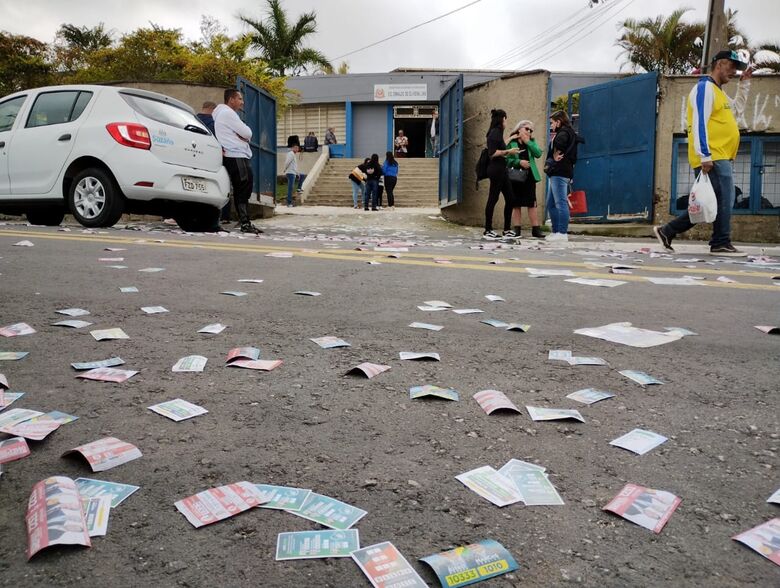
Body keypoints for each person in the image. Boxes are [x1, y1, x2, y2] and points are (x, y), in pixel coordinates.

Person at [654, 50, 752, 256]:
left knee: (711, 202)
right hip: (712, 156)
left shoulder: (719, 92)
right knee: (724, 198)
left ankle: (667, 231)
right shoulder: (704, 88)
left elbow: (736, 112)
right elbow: (698, 123)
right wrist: (705, 155)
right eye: (733, 67)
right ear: (721, 63)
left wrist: (744, 85)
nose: (734, 72)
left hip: (720, 155)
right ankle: (720, 242)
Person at [213, 89, 262, 234]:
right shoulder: (228, 113)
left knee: (239, 188)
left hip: (232, 154)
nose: (242, 102)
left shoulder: (220, 114)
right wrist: (243, 136)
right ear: (231, 99)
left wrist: (242, 135)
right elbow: (247, 133)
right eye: (239, 99)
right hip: (237, 155)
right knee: (243, 188)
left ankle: (243, 221)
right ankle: (245, 223)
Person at [483, 108, 519, 240]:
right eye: (505, 119)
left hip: (502, 170)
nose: (506, 122)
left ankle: (507, 229)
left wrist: (511, 138)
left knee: (510, 198)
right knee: (493, 199)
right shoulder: (494, 133)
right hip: (496, 170)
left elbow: (501, 145)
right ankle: (488, 230)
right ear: (502, 119)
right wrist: (509, 152)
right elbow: (493, 153)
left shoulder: (498, 133)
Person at [505, 120, 544, 239]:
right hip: (515, 176)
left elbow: (538, 154)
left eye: (531, 130)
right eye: (527, 129)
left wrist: (528, 141)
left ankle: (535, 229)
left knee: (532, 203)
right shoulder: (512, 142)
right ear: (519, 129)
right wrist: (519, 162)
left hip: (529, 176)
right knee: (516, 203)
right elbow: (506, 159)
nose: (529, 132)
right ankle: (517, 229)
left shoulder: (531, 142)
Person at [544, 110, 577, 242]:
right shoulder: (568, 132)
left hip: (559, 172)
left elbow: (561, 145)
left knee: (560, 203)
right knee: (551, 204)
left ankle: (562, 233)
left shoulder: (563, 133)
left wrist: (555, 155)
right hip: (559, 172)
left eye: (552, 123)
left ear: (559, 122)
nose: (551, 125)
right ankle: (556, 231)